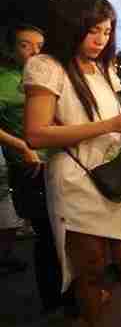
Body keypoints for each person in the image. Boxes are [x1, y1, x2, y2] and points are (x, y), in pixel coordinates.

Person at [23, 0, 121, 327]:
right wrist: (108, 124)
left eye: (107, 31)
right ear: (70, 25)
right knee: (91, 270)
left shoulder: (103, 68)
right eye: (93, 29)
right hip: (75, 180)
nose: (100, 39)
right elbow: (36, 134)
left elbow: (112, 121)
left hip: (115, 174)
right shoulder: (46, 66)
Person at [0, 24, 45, 276]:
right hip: (27, 166)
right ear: (12, 48)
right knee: (46, 232)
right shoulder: (5, 80)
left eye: (40, 46)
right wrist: (22, 147)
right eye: (26, 45)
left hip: (54, 161)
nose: (34, 52)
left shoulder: (46, 75)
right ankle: (57, 303)